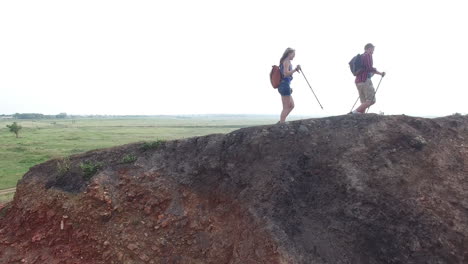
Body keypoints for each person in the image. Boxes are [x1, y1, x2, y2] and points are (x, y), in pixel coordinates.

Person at [352, 43, 385, 114]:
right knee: (371, 100)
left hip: (358, 82)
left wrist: (371, 74)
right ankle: (354, 113)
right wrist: (380, 73)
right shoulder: (367, 55)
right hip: (365, 80)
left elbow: (366, 70)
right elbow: (370, 68)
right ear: (369, 48)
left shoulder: (361, 57)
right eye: (373, 49)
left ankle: (361, 115)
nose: (373, 51)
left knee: (364, 102)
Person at [278, 48, 301, 123]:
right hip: (284, 85)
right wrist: (295, 70)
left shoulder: (284, 61)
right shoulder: (286, 61)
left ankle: (282, 121)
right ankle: (282, 123)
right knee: (286, 107)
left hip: (284, 85)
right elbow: (285, 73)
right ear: (289, 54)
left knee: (291, 105)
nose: (294, 56)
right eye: (293, 54)